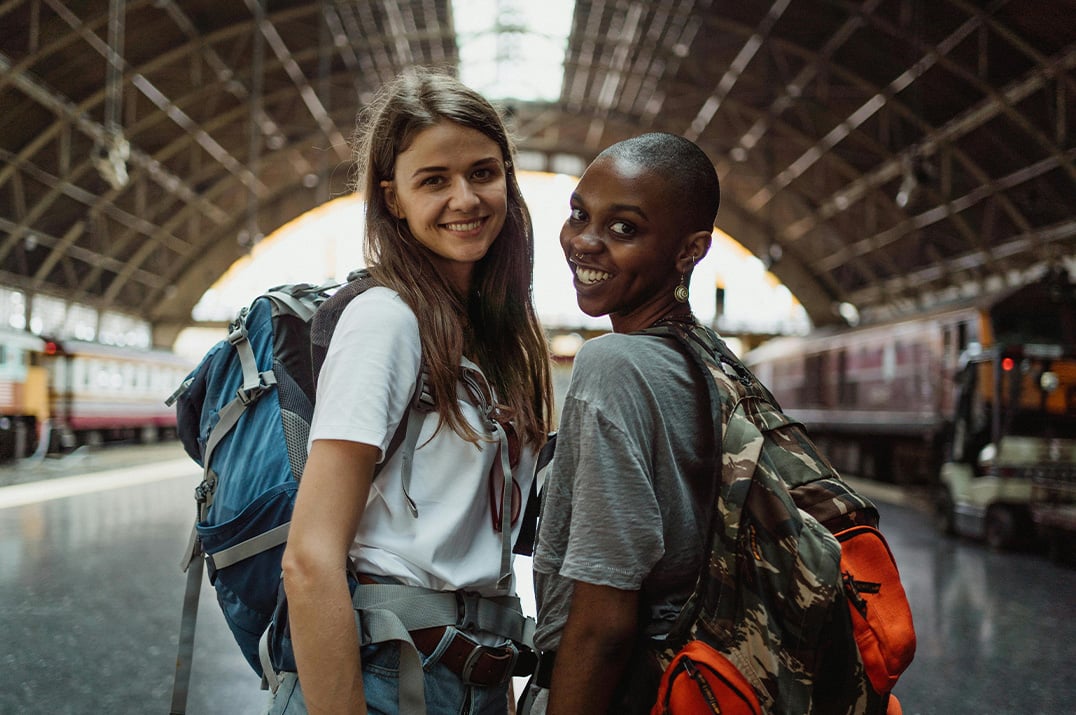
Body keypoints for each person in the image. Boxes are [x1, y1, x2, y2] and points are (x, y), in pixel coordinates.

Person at [269, 67, 553, 715]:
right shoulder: (387, 320)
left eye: (483, 172)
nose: (466, 198)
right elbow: (309, 559)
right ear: (392, 197)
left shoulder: (497, 336)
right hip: (386, 681)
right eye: (435, 180)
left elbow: (483, 550)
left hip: (467, 680)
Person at [522, 132, 720, 714]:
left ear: (691, 251)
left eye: (623, 228)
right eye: (579, 215)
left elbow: (603, 624)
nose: (584, 242)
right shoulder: (712, 364)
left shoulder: (614, 365)